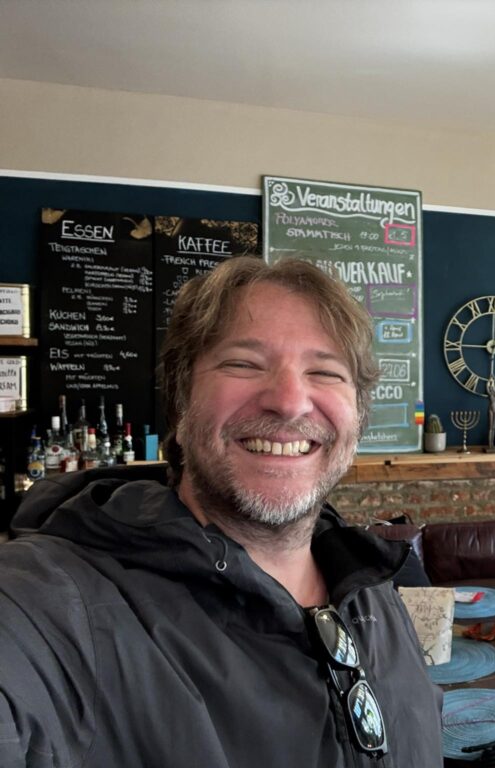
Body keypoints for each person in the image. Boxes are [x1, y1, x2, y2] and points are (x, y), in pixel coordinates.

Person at [0, 257, 443, 766]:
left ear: (358, 416)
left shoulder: (373, 592)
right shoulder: (51, 607)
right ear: (181, 400)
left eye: (325, 371)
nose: (290, 402)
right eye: (243, 364)